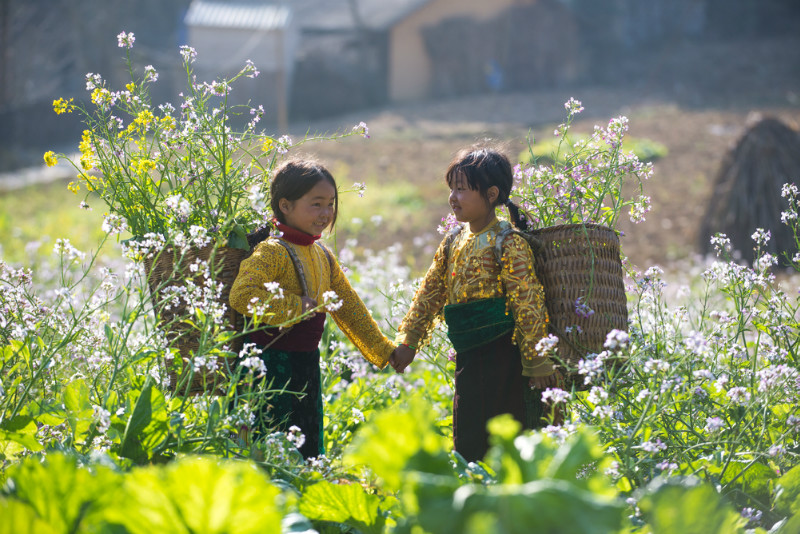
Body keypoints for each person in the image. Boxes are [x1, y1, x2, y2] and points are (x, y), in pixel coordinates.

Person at [390, 147, 559, 462]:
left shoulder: (509, 242)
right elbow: (429, 293)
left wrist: (537, 360)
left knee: (506, 439)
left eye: (463, 189)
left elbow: (527, 301)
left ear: (492, 194)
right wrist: (408, 341)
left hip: (505, 358)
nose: (453, 197)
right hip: (468, 357)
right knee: (467, 436)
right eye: (451, 188)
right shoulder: (453, 241)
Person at [229, 158, 396, 459]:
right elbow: (241, 295)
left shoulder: (322, 255)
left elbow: (350, 308)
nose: (326, 213)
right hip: (268, 366)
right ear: (285, 206)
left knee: (306, 446)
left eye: (330, 204)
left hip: (306, 365)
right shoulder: (272, 250)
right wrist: (294, 307)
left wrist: (383, 350)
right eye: (316, 204)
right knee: (268, 447)